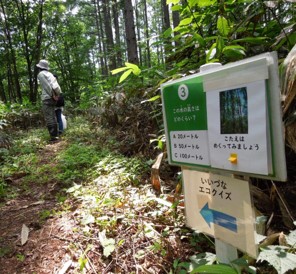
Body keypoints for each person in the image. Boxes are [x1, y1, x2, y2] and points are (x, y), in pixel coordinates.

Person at [36, 59, 61, 142]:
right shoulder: (50, 74)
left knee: (49, 117)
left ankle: (54, 137)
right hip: (53, 97)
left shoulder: (41, 74)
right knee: (53, 116)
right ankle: (56, 135)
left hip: (48, 98)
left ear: (40, 67)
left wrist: (52, 95)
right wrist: (56, 96)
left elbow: (47, 86)